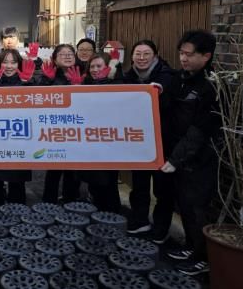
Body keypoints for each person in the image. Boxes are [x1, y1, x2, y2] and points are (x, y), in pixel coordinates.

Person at [161, 30, 220, 276]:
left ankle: (201, 258)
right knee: (184, 204)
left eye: (189, 54)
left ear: (206, 56)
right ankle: (190, 246)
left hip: (199, 159)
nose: (183, 58)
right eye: (181, 53)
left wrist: (177, 158)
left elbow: (201, 129)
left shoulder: (212, 86)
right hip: (179, 155)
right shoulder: (182, 78)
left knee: (196, 207)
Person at [124, 40, 175, 238]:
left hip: (164, 141)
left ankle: (161, 229)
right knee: (139, 184)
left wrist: (158, 90)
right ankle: (140, 220)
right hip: (139, 140)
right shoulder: (128, 77)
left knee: (163, 188)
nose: (142, 58)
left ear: (155, 55)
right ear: (132, 56)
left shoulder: (167, 75)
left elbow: (165, 88)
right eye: (138, 53)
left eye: (146, 54)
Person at [0, 49, 36, 204]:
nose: (9, 66)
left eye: (13, 62)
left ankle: (17, 211)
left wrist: (27, 84)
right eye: (5, 62)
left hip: (19, 140)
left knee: (17, 182)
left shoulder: (28, 81)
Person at [39, 44, 85, 204]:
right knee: (54, 168)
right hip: (55, 128)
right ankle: (48, 202)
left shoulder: (84, 74)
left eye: (70, 53)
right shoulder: (49, 75)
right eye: (62, 54)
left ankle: (70, 200)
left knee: (73, 169)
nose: (67, 56)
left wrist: (80, 88)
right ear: (55, 59)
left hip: (77, 129)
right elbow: (37, 98)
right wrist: (47, 80)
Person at [81, 52, 123, 213]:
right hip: (89, 141)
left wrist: (104, 81)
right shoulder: (85, 83)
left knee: (108, 182)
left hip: (109, 141)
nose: (95, 69)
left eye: (99, 66)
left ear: (109, 68)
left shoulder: (117, 83)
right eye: (92, 66)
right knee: (94, 183)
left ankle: (112, 215)